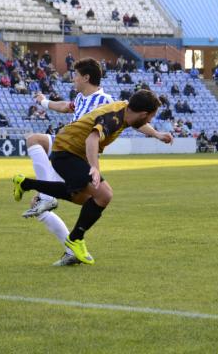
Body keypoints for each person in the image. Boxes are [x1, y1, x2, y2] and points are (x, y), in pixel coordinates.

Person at [12, 90, 171, 265]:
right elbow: (92, 139)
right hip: (67, 151)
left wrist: (157, 134)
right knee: (104, 194)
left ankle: (25, 183)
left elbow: (137, 123)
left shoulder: (126, 110)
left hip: (71, 151)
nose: (150, 121)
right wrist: (94, 167)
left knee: (82, 198)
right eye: (151, 117)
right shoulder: (114, 117)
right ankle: (75, 238)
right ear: (143, 114)